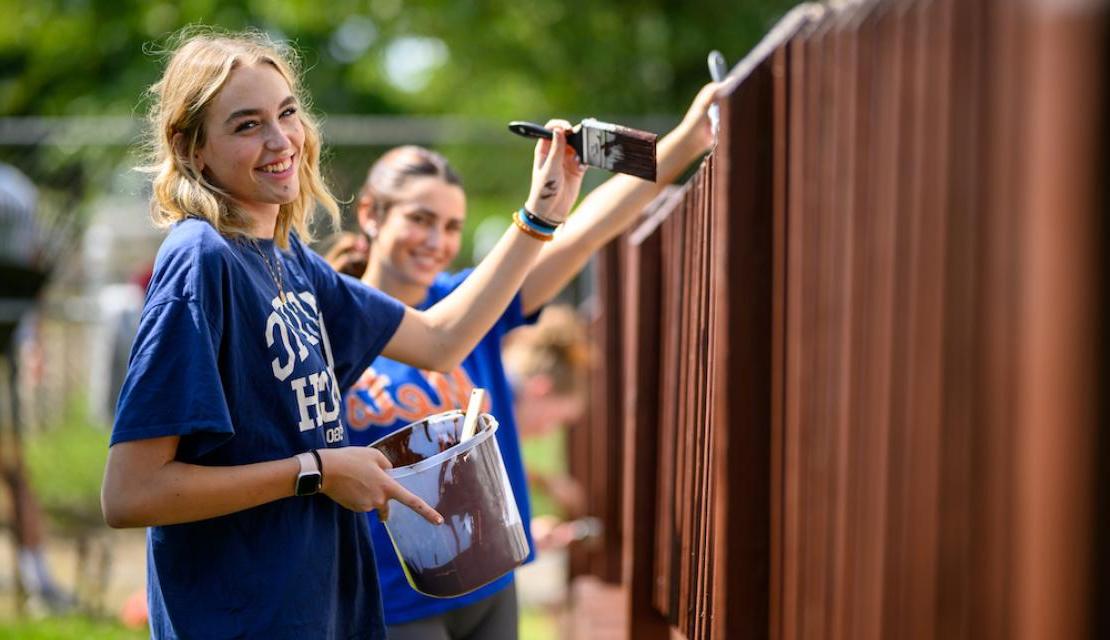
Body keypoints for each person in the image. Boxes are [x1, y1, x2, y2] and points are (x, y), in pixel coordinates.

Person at [99, 28, 582, 640]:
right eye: (246, 125)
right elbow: (131, 492)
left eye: (287, 113)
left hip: (321, 611)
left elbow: (440, 339)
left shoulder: (289, 257)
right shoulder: (202, 259)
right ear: (192, 148)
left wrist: (540, 216)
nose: (281, 142)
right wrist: (316, 470)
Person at [337, 82, 719, 639]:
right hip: (393, 599)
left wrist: (688, 140)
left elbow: (586, 232)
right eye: (419, 219)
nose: (435, 241)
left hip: (492, 585)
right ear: (370, 214)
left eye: (450, 227)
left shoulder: (473, 302)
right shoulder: (331, 325)